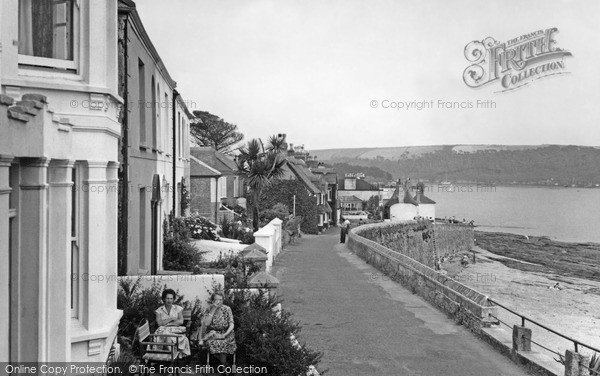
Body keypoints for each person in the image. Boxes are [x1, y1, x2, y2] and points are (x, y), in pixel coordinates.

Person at [192, 292, 236, 366]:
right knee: (213, 343)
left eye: (221, 299)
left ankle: (223, 365)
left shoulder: (227, 309)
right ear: (212, 301)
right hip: (213, 334)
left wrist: (224, 335)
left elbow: (231, 324)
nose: (219, 301)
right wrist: (213, 309)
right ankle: (224, 364)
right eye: (217, 300)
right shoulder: (209, 309)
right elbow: (206, 323)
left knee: (224, 343)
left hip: (226, 333)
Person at [154, 289, 190, 358]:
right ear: (164, 299)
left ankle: (171, 357)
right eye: (167, 298)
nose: (169, 300)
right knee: (167, 336)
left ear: (173, 299)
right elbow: (159, 323)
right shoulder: (159, 311)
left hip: (175, 330)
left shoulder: (178, 309)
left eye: (171, 298)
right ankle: (173, 356)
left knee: (168, 336)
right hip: (163, 330)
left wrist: (166, 323)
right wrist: (171, 319)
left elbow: (181, 321)